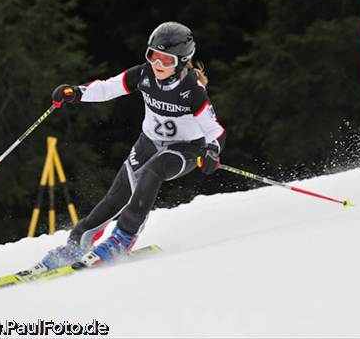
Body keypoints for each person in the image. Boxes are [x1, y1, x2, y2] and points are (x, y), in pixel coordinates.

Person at [42, 21, 226, 268]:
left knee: (154, 170)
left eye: (166, 60)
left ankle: (123, 238)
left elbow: (215, 130)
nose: (158, 65)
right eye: (153, 56)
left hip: (185, 149)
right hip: (148, 142)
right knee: (117, 196)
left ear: (182, 61)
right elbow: (109, 87)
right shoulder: (143, 74)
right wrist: (77, 92)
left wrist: (212, 150)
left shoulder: (193, 89)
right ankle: (77, 244)